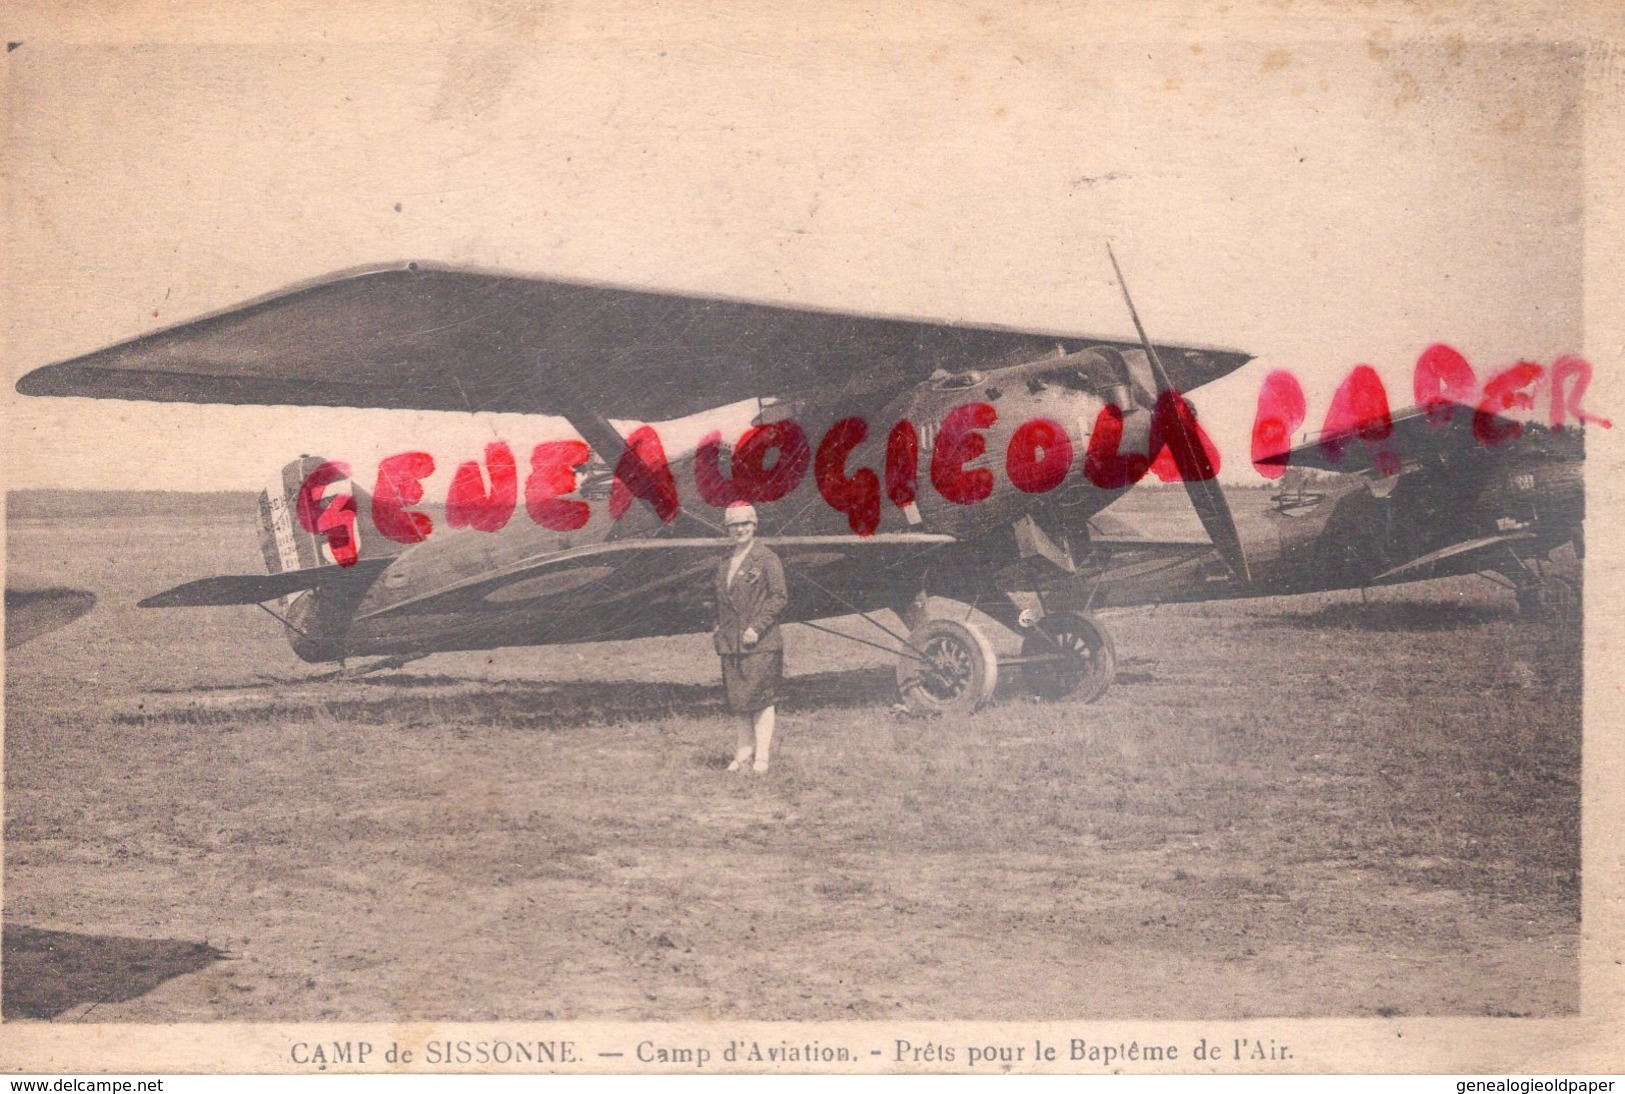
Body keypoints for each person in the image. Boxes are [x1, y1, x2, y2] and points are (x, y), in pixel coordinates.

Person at [713, 502, 787, 773]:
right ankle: (743, 752)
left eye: (745, 524)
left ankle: (762, 756)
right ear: (728, 529)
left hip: (761, 642)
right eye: (734, 525)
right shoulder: (724, 562)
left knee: (761, 698)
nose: (740, 529)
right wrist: (717, 629)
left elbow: (779, 597)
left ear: (754, 526)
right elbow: (720, 601)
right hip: (731, 644)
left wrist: (757, 627)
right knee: (739, 700)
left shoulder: (767, 558)